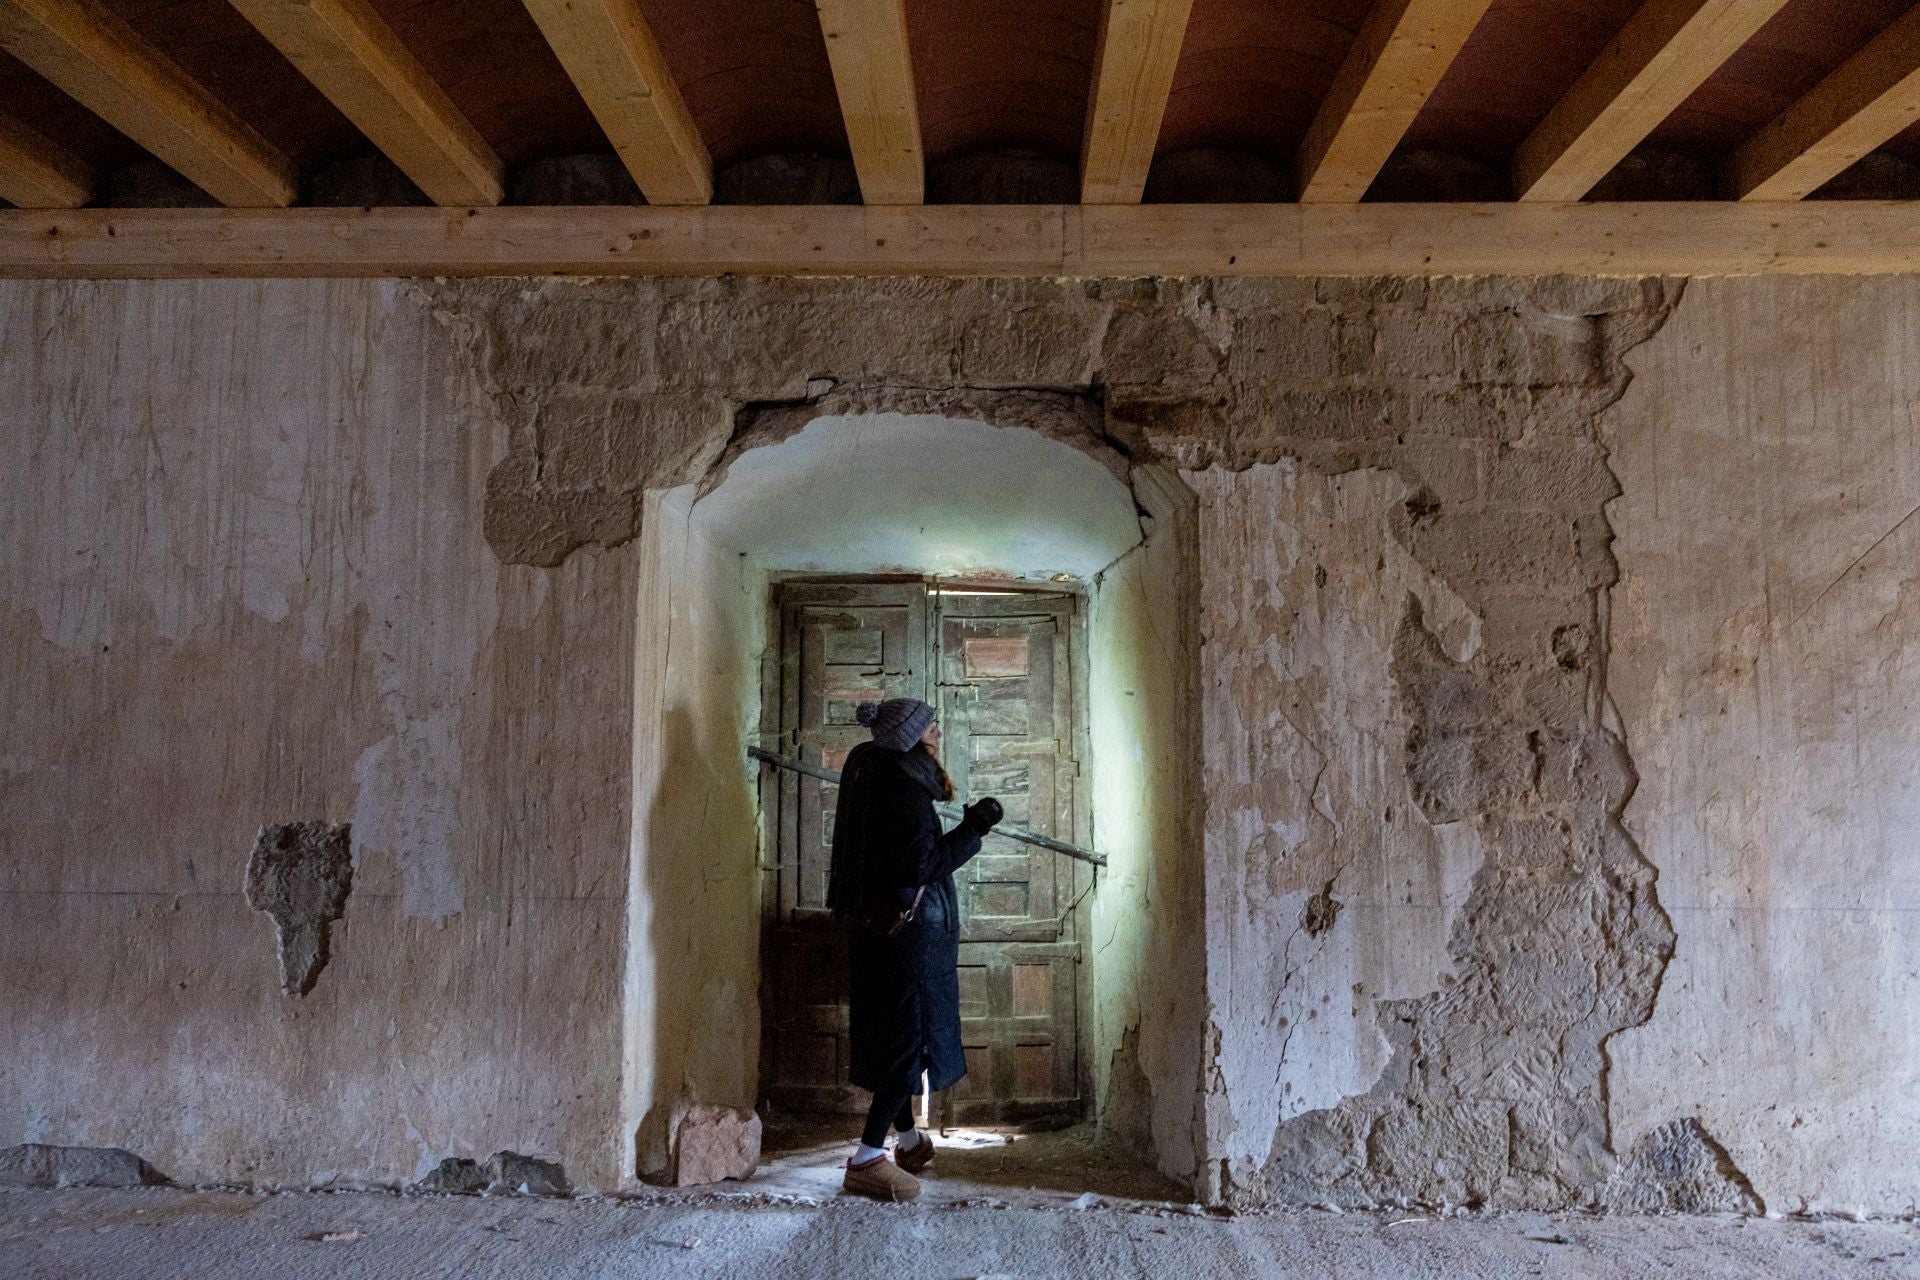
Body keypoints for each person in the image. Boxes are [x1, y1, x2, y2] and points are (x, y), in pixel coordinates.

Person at [825, 696, 1003, 1202]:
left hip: (882, 933)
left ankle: (907, 1142)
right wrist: (974, 829)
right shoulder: (901, 789)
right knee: (909, 1041)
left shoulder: (871, 770)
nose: (937, 733)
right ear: (909, 739)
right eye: (929, 728)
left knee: (898, 1037)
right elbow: (918, 867)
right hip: (908, 939)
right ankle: (866, 1160)